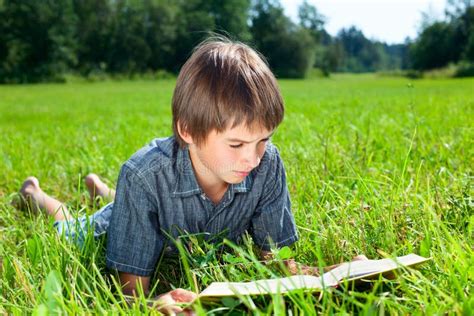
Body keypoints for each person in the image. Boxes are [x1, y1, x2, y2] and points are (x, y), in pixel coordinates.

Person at [16, 37, 366, 313]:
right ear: (188, 130)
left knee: (133, 207)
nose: (253, 158)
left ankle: (105, 191)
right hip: (132, 206)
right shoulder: (143, 175)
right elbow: (130, 294)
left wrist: (333, 272)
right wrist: (154, 304)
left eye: (263, 140)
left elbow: (274, 261)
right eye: (236, 144)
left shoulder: (268, 163)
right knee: (76, 227)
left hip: (158, 212)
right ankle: (36, 196)